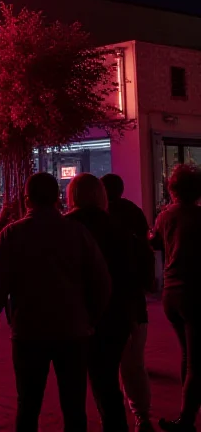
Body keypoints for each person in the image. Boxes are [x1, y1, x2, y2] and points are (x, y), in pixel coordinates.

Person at [0, 172, 112, 432]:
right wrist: (91, 317)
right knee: (74, 403)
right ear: (57, 198)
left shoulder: (13, 233)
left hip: (29, 329)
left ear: (27, 199)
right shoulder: (77, 232)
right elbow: (101, 280)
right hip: (72, 328)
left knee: (28, 403)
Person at [66, 173, 141, 431]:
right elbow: (131, 272)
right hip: (115, 313)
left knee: (73, 384)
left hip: (76, 313)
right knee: (106, 380)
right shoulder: (116, 227)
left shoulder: (68, 227)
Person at [102, 173, 156, 432]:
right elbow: (146, 248)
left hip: (111, 303)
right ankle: (141, 415)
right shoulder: (133, 213)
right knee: (133, 363)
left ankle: (120, 416)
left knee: (109, 366)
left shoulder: (100, 220)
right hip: (133, 301)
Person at [152, 164, 201, 432]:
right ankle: (186, 418)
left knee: (188, 355)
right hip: (195, 292)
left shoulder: (164, 216)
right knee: (196, 360)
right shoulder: (198, 217)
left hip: (171, 292)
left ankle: (188, 413)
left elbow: (155, 243)